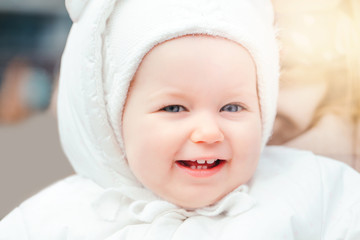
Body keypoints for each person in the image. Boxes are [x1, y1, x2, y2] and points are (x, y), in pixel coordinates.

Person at [1, 0, 360, 239]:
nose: (207, 132)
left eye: (233, 107)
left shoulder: (319, 191)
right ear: (109, 120)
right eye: (174, 109)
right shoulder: (51, 224)